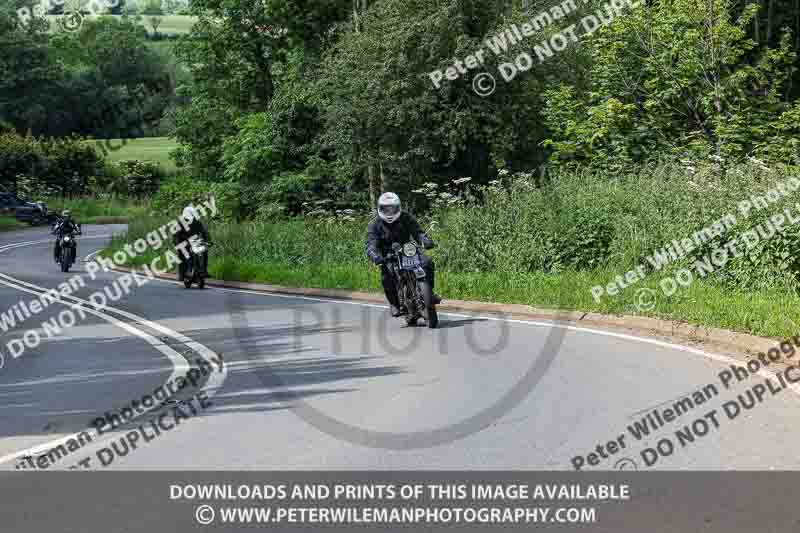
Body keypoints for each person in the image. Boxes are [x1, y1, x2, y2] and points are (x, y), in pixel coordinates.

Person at [366, 192, 441, 317]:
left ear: (398, 207)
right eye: (386, 209)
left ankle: (429, 293)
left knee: (427, 262)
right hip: (388, 255)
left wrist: (425, 240)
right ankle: (394, 303)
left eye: (392, 208)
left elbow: (418, 232)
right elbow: (371, 244)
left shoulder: (406, 217)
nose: (390, 212)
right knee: (387, 274)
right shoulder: (374, 224)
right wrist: (374, 255)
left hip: (408, 251)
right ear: (380, 208)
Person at [174, 205, 211, 281]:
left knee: (204, 251)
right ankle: (182, 274)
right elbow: (176, 236)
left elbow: (204, 232)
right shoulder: (180, 223)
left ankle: (203, 270)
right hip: (183, 242)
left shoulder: (197, 222)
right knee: (183, 255)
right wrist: (179, 244)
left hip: (194, 241)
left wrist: (207, 241)